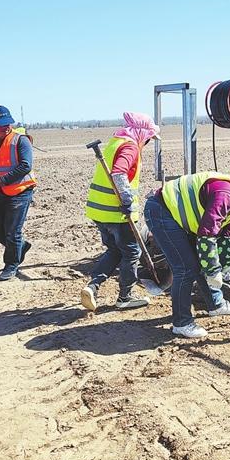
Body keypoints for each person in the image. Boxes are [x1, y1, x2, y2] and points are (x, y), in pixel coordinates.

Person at [144, 170, 230, 338]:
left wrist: (228, 265)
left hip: (177, 215)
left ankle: (216, 305)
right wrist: (213, 270)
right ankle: (181, 323)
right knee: (185, 269)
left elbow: (223, 235)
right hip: (162, 212)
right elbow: (207, 234)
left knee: (199, 263)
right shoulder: (226, 195)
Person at [80, 112, 159, 311]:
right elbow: (119, 172)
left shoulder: (115, 141)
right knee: (132, 253)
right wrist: (126, 199)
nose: (147, 142)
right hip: (117, 212)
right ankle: (126, 297)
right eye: (149, 138)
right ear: (142, 133)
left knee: (115, 250)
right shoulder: (130, 146)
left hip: (99, 210)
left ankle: (92, 287)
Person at [0, 105, 37, 280]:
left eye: (8, 123)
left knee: (12, 231)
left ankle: (11, 265)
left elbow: (26, 165)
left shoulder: (20, 140)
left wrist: (1, 180)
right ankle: (20, 247)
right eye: (1, 124)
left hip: (20, 191)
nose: (6, 127)